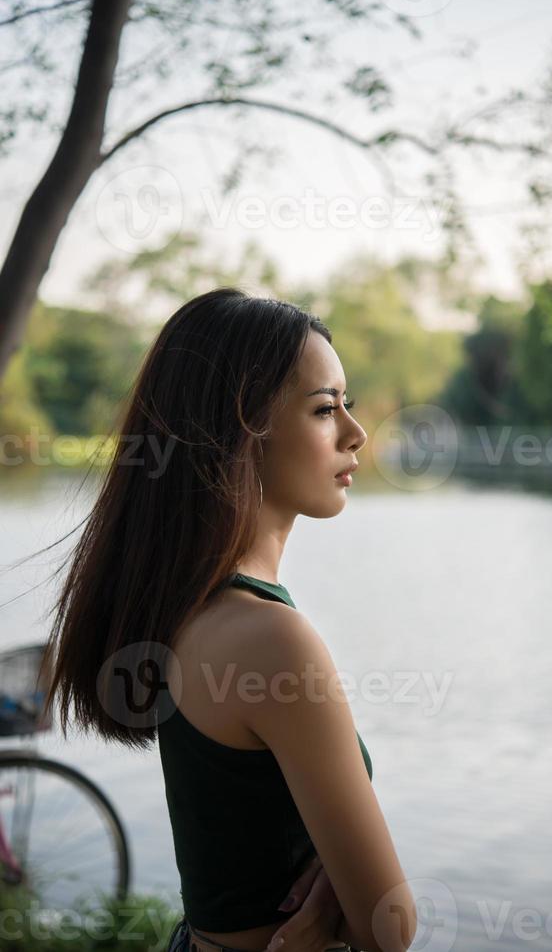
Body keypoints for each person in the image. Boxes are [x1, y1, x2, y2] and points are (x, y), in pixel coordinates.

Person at [39, 288, 417, 952]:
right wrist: (343, 890)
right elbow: (390, 927)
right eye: (326, 409)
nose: (356, 434)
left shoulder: (193, 608)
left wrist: (340, 871)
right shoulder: (271, 640)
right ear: (242, 427)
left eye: (347, 407)